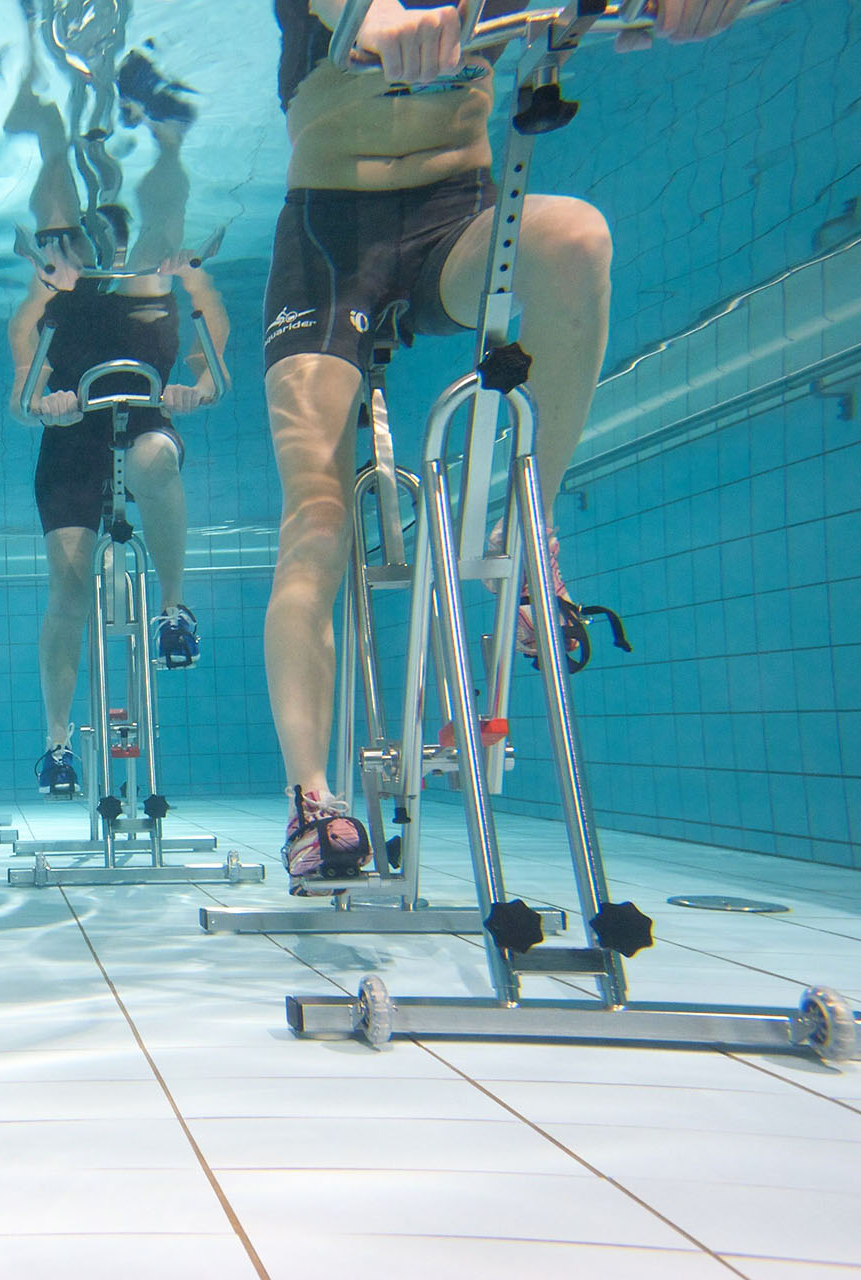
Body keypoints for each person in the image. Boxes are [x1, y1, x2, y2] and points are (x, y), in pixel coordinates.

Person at [262, 0, 746, 889]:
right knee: (317, 519)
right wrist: (375, 12)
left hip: (461, 211)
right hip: (329, 239)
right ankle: (312, 800)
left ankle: (525, 528)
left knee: (577, 241)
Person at [5, 34, 228, 800]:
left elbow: (211, 329)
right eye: (70, 239)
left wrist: (199, 384)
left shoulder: (157, 272)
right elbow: (21, 384)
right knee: (69, 592)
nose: (86, 246)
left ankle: (173, 607)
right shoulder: (53, 285)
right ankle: (57, 742)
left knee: (154, 461)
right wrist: (43, 402)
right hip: (71, 445)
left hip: (145, 422)